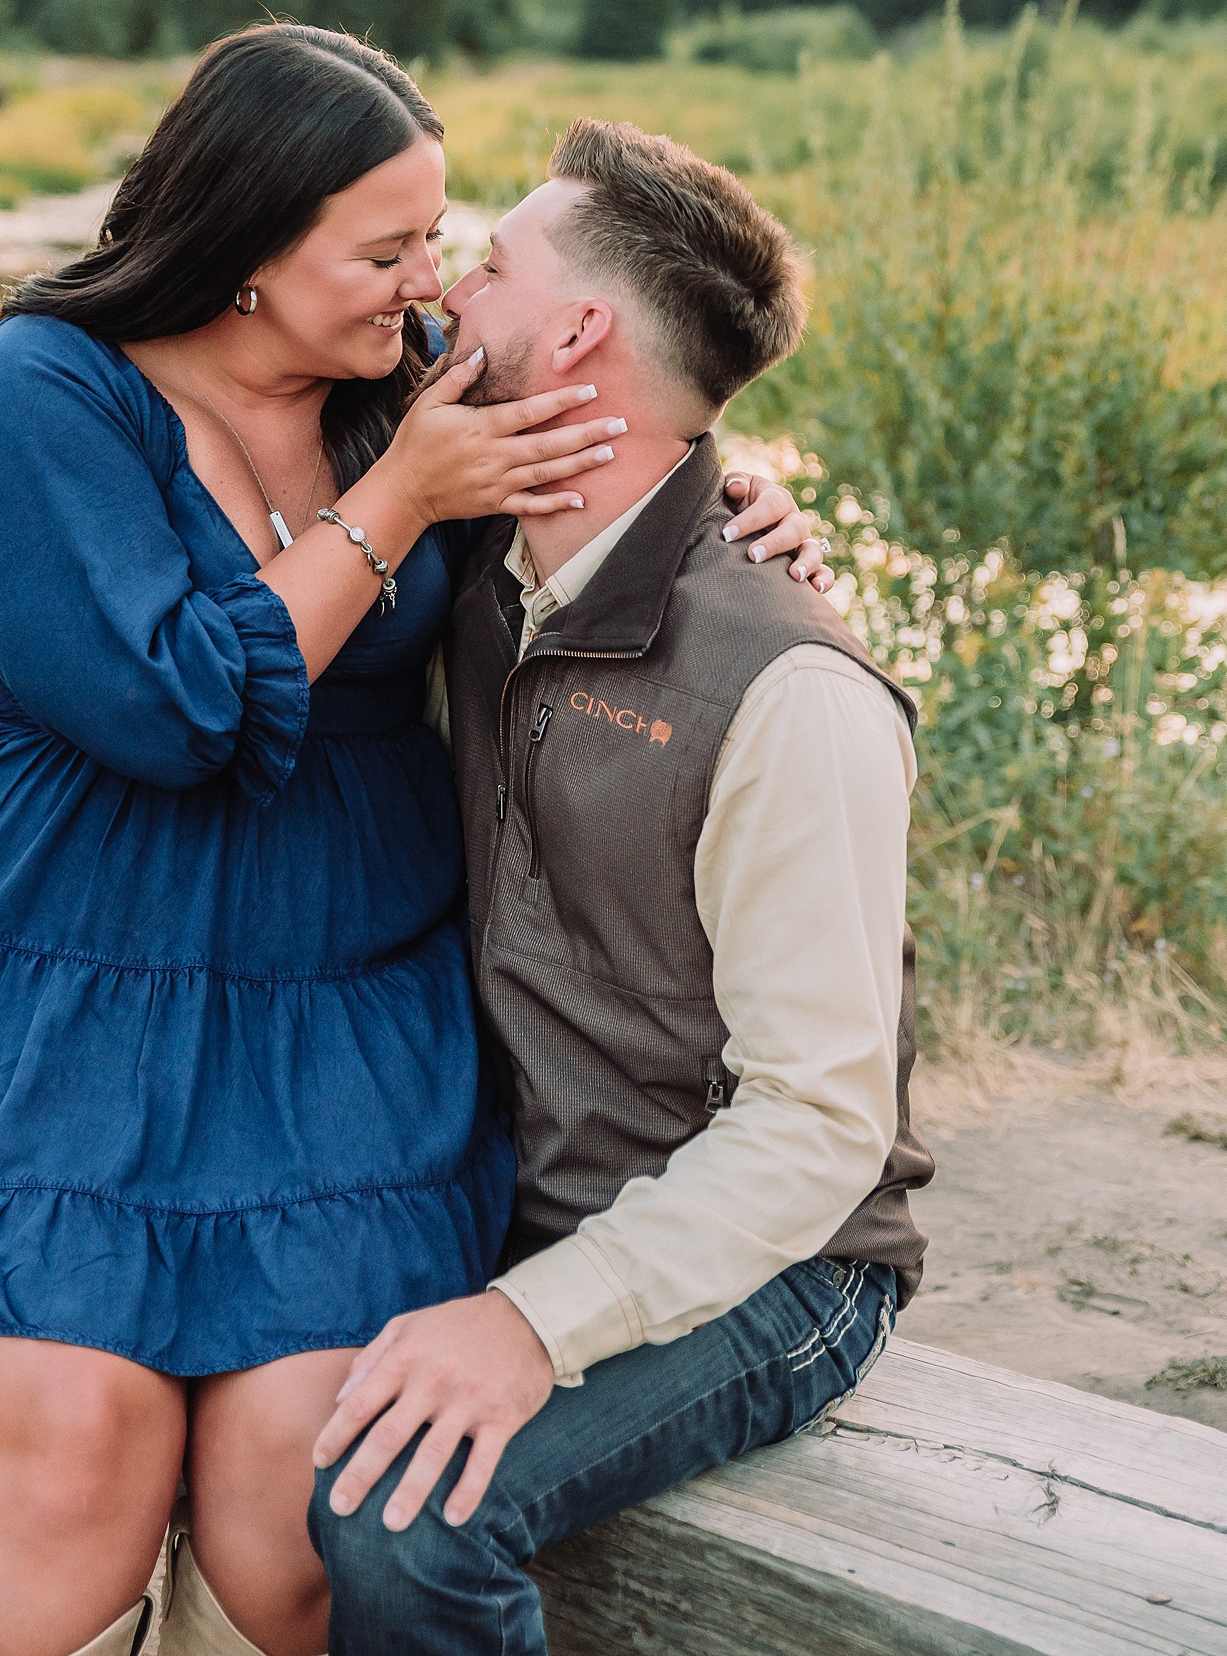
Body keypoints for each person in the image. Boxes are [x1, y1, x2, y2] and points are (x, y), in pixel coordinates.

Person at [0, 32, 826, 1656]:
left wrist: (743, 518)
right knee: (72, 1458)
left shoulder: (415, 392)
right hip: (58, 987)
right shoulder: (50, 391)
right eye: (386, 251)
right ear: (250, 244)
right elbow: (173, 706)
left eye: (442, 238)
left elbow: (621, 471)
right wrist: (395, 501)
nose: (432, 282)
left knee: (297, 1498)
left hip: (341, 1009)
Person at [305, 117, 934, 1655]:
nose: (450, 282)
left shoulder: (791, 693)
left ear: (579, 329)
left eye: (494, 261)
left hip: (781, 1264)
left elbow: (816, 1131)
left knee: (401, 1512)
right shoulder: (475, 567)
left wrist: (533, 1320)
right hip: (504, 1201)